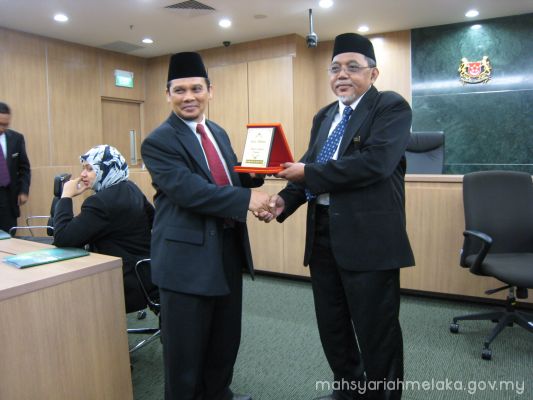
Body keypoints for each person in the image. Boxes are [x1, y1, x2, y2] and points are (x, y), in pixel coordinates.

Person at [258, 33, 415, 400]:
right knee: (333, 325)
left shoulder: (390, 107)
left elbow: (374, 164)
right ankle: (348, 391)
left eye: (352, 67)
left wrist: (308, 173)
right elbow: (310, 165)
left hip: (369, 238)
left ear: (373, 73)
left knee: (376, 332)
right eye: (335, 68)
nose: (342, 75)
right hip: (324, 234)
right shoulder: (325, 115)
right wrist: (284, 201)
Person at [141, 51, 269, 400]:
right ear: (167, 94)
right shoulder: (159, 141)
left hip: (226, 247)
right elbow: (190, 191)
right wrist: (247, 200)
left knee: (224, 338)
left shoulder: (217, 132)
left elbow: (228, 176)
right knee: (185, 351)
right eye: (179, 90)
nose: (189, 97)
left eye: (196, 89)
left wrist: (257, 172)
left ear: (210, 91)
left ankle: (218, 394)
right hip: (185, 259)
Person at [53, 144, 155, 313]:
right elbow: (154, 220)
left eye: (89, 169)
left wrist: (65, 197)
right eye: (83, 168)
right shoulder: (131, 187)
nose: (83, 174)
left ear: (106, 169)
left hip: (123, 282)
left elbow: (62, 238)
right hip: (147, 273)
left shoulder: (100, 202)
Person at [0, 102, 31, 233]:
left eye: (5, 125)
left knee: (9, 239)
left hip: (8, 200)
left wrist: (23, 191)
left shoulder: (16, 139)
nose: (2, 128)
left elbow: (24, 168)